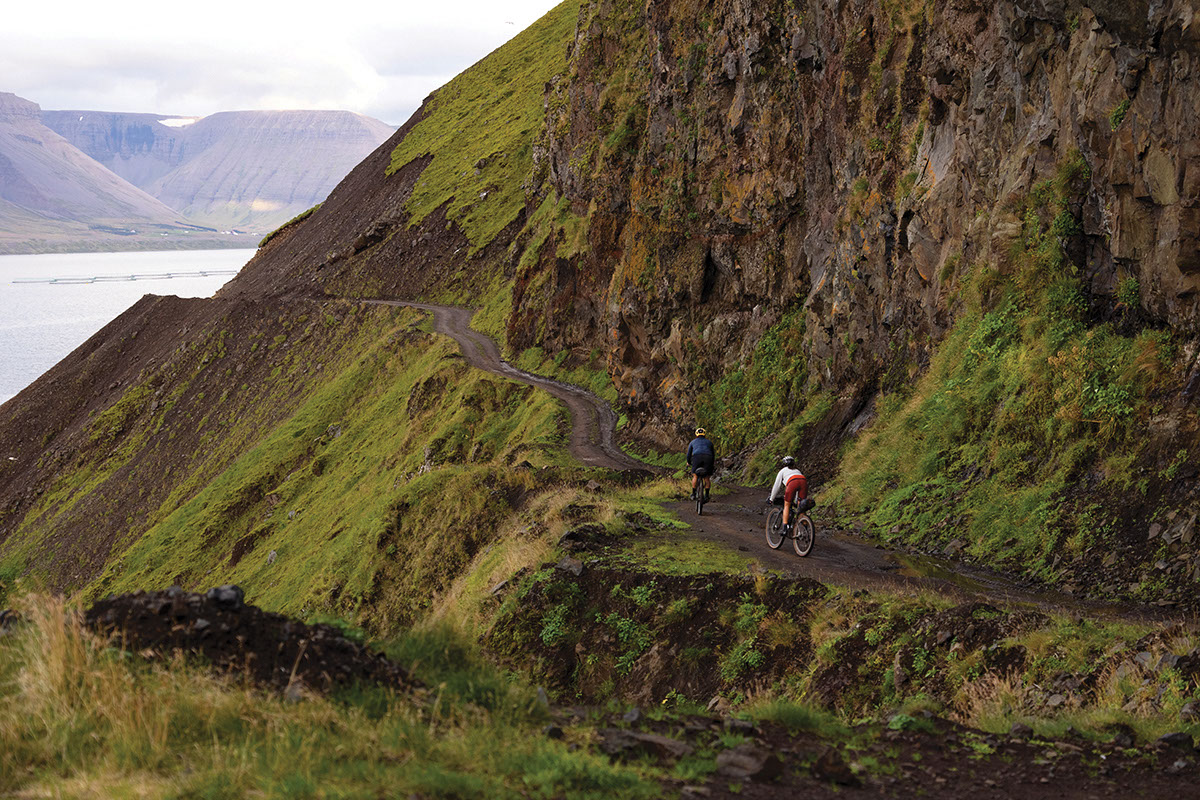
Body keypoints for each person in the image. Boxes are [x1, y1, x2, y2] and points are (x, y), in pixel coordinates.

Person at [768, 456, 808, 535]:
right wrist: (797, 500)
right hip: (803, 481)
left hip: (792, 483)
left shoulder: (782, 471)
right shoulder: (798, 471)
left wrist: (771, 499)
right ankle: (806, 529)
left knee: (787, 505)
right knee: (801, 508)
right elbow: (798, 484)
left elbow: (777, 486)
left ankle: (785, 529)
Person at [686, 427, 715, 501]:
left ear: (696, 434)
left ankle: (693, 493)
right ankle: (707, 495)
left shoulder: (693, 442)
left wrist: (688, 462)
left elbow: (688, 454)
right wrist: (712, 463)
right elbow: (713, 454)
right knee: (707, 477)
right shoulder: (709, 442)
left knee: (695, 475)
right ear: (704, 435)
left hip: (697, 457)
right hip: (708, 458)